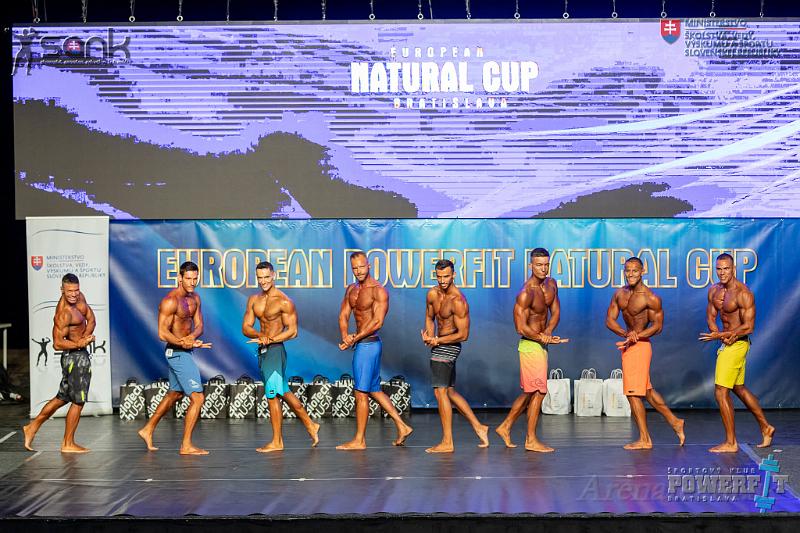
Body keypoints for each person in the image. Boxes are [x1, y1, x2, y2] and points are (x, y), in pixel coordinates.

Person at [336, 251, 413, 450]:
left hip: (369, 345)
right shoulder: (351, 290)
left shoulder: (378, 291)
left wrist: (355, 338)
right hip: (361, 343)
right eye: (355, 268)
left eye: (362, 266)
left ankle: (359, 440)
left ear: (369, 266)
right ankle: (402, 426)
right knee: (373, 390)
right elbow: (343, 315)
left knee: (360, 393)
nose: (359, 271)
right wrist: (345, 335)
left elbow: (377, 322)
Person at [606, 257, 684, 450]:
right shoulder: (620, 294)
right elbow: (609, 320)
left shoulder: (651, 297)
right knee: (646, 391)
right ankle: (675, 422)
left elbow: (658, 326)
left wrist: (637, 335)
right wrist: (626, 334)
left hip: (640, 346)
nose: (631, 274)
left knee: (633, 394)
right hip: (628, 345)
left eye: (635, 270)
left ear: (643, 271)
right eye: (628, 270)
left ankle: (644, 439)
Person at [700, 253, 774, 453]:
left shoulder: (743, 293)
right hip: (727, 342)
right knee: (738, 388)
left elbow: (749, 326)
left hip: (739, 344)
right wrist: (718, 333)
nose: (722, 272)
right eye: (719, 269)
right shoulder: (714, 291)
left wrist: (725, 335)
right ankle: (766, 427)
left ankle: (731, 442)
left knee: (720, 391)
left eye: (726, 268)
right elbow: (711, 316)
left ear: (733, 269)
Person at [495, 248, 568, 452]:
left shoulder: (551, 284)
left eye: (546, 265)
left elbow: (556, 311)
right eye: (538, 265)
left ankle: (505, 426)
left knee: (530, 392)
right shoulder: (526, 292)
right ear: (530, 266)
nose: (543, 269)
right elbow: (520, 327)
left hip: (541, 344)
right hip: (529, 345)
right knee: (538, 391)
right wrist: (541, 337)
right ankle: (530, 439)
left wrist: (548, 332)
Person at [242, 261, 320, 452]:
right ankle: (310, 424)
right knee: (282, 391)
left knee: (272, 395)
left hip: (275, 351)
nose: (263, 281)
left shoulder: (284, 301)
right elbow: (246, 327)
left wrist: (270, 339)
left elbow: (293, 331)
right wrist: (260, 335)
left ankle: (277, 441)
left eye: (266, 277)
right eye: (260, 278)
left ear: (274, 275)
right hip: (263, 351)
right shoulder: (254, 300)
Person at [138, 261, 212, 455]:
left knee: (175, 394)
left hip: (184, 350)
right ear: (179, 278)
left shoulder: (195, 298)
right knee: (198, 398)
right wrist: (182, 342)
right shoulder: (170, 301)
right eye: (188, 278)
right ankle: (186, 445)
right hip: (176, 353)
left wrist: (191, 337)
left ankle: (147, 429)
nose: (192, 282)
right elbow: (162, 333)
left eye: (195, 278)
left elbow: (200, 325)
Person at [421, 259, 489, 453]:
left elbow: (463, 335)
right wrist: (430, 336)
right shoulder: (432, 294)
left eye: (446, 276)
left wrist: (437, 341)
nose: (443, 280)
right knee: (449, 392)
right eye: (439, 276)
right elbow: (429, 317)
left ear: (454, 275)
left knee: (440, 392)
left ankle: (447, 442)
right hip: (438, 344)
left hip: (449, 347)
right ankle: (479, 427)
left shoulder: (458, 300)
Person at [23, 273, 95, 453]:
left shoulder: (80, 298)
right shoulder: (64, 313)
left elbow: (92, 319)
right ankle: (68, 443)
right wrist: (79, 343)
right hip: (74, 358)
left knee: (62, 397)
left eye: (76, 290)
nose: (74, 294)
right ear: (62, 289)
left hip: (80, 353)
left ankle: (32, 427)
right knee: (78, 401)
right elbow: (57, 343)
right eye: (70, 291)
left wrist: (85, 337)